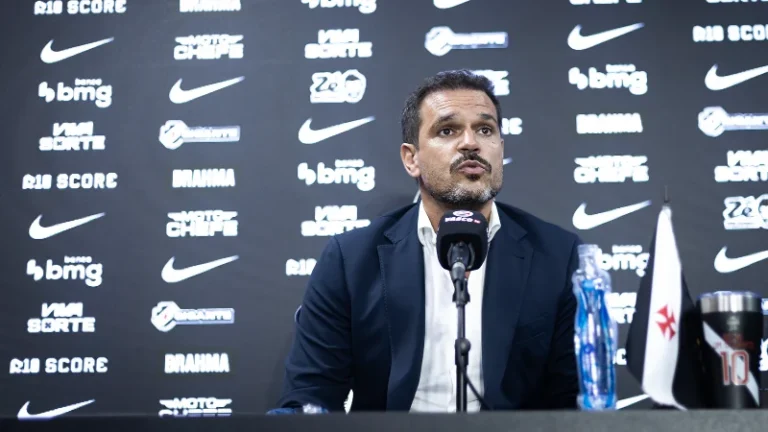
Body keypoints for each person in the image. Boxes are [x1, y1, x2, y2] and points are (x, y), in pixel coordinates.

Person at [275, 70, 582, 413]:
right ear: (412, 159)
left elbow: (575, 401)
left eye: (485, 130)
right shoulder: (351, 260)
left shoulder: (557, 256)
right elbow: (310, 397)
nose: (471, 143)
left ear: (500, 149)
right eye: (447, 130)